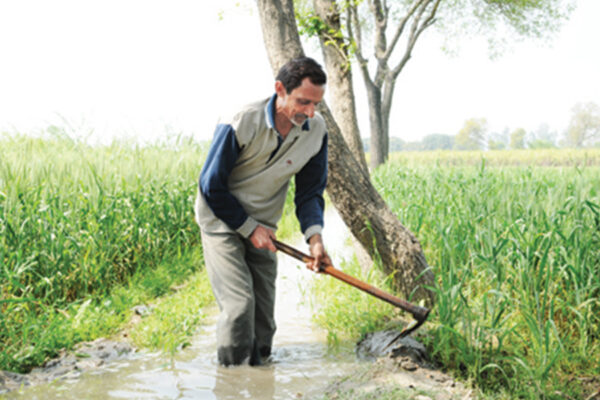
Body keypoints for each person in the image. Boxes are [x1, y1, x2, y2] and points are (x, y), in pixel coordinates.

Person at [194, 56, 332, 366]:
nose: (309, 112)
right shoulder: (242, 119)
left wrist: (315, 239)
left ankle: (260, 375)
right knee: (240, 307)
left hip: (265, 225)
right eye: (303, 102)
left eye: (316, 104)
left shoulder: (316, 130)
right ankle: (231, 377)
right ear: (280, 89)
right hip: (220, 221)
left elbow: (310, 193)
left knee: (264, 321)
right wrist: (248, 228)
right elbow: (211, 184)